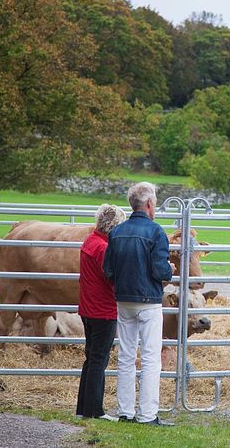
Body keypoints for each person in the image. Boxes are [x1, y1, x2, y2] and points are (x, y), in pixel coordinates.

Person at [103, 182, 173, 426]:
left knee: (126, 356)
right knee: (152, 358)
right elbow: (159, 269)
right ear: (150, 204)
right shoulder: (156, 232)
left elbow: (108, 270)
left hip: (123, 299)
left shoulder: (116, 232)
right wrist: (170, 271)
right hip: (149, 300)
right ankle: (147, 414)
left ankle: (125, 411)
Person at [76, 204, 126, 420]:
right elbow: (112, 278)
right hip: (103, 310)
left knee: (91, 358)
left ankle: (83, 408)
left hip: (88, 308)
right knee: (99, 359)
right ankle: (95, 410)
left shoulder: (90, 241)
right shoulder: (104, 249)